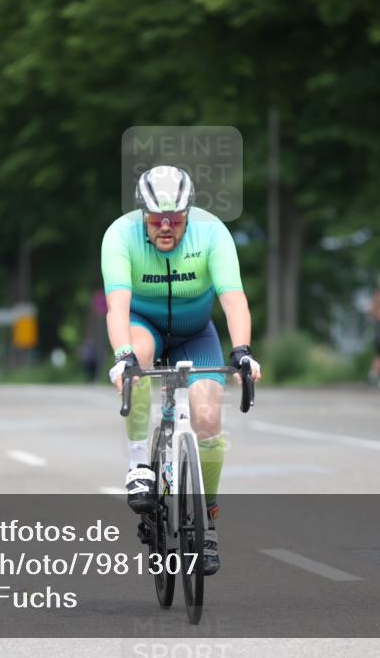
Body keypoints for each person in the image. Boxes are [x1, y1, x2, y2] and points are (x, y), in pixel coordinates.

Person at [101, 165, 262, 576]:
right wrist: (122, 355)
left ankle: (206, 519)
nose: (167, 228)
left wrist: (242, 351)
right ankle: (140, 465)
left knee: (207, 417)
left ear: (190, 212)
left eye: (176, 219)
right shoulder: (120, 235)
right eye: (157, 220)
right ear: (143, 214)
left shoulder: (211, 233)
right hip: (144, 326)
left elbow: (234, 299)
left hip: (197, 333)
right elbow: (117, 306)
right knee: (136, 362)